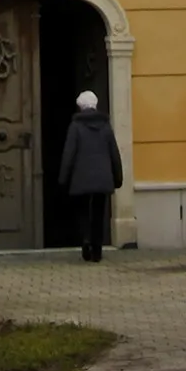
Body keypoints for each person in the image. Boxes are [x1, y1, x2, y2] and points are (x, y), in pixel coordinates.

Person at [58, 89, 123, 262]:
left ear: (80, 107)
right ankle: (98, 250)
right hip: (102, 179)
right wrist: (118, 178)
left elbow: (68, 154)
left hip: (81, 179)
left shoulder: (76, 126)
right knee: (99, 213)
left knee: (83, 212)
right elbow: (114, 154)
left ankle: (86, 241)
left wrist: (63, 179)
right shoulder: (106, 126)